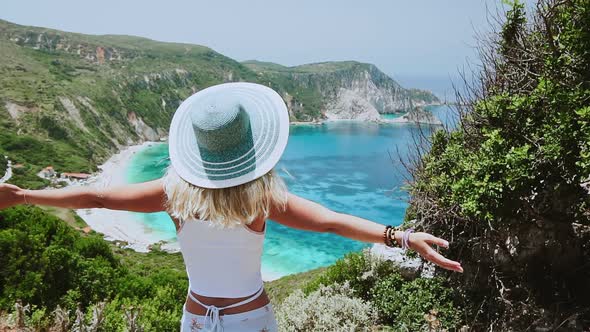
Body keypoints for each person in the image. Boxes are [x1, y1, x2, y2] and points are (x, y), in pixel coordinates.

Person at [0, 82, 462, 331]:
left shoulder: (172, 195)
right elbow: (332, 223)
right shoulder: (261, 200)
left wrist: (22, 197)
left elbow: (96, 196)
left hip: (197, 318)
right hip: (251, 317)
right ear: (249, 148)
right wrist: (400, 236)